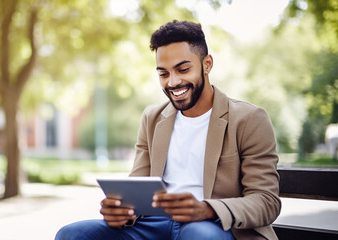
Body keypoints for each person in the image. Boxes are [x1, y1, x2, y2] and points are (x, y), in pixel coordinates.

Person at [56, 20, 281, 240]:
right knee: (71, 234)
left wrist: (207, 209)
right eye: (163, 74)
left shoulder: (249, 119)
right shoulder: (152, 119)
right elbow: (135, 191)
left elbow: (266, 201)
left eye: (183, 69)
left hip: (212, 225)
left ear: (207, 64)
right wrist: (120, 210)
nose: (173, 82)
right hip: (153, 223)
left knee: (198, 234)